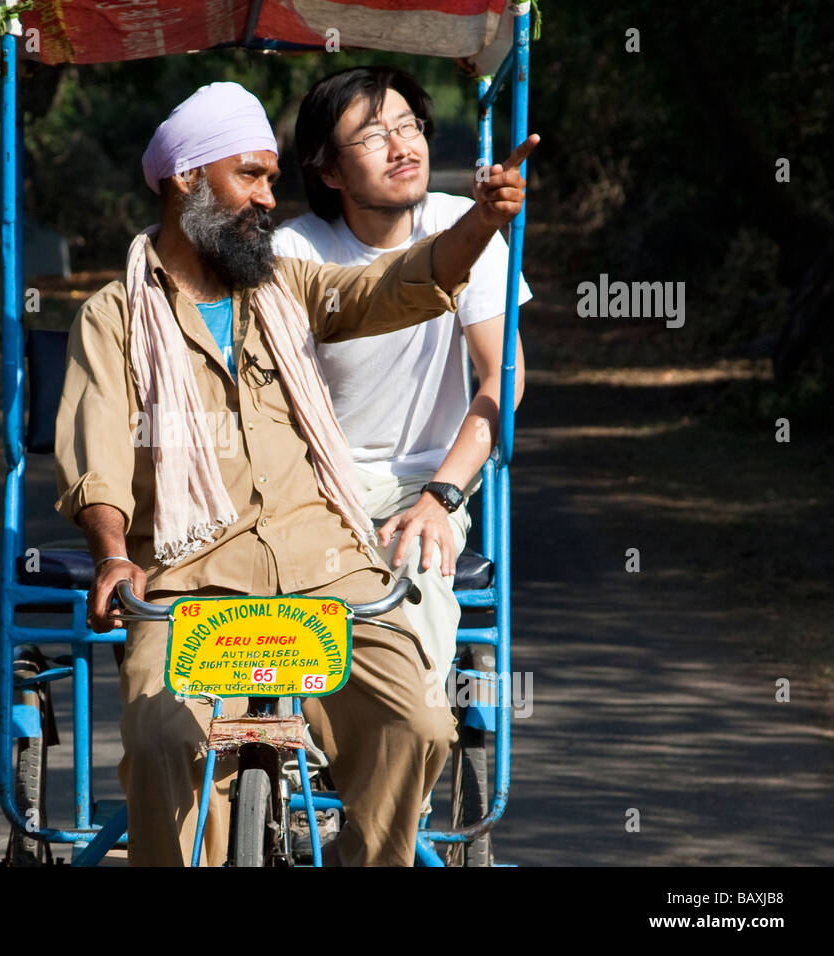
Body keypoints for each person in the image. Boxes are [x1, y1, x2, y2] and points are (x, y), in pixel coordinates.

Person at [54, 80, 536, 866]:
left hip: (328, 564)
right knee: (165, 736)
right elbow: (97, 454)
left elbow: (396, 286)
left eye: (273, 179)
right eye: (251, 176)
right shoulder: (112, 316)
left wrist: (481, 221)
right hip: (189, 575)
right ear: (185, 181)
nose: (269, 198)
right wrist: (112, 552)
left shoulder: (285, 286)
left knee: (418, 723)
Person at [272, 66, 531, 685]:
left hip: (425, 476)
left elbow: (504, 377)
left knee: (418, 566)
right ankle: (286, 753)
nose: (402, 146)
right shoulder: (295, 253)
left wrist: (441, 498)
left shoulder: (464, 230)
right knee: (282, 583)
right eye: (371, 135)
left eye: (408, 125)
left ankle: (409, 739)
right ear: (329, 170)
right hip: (317, 480)